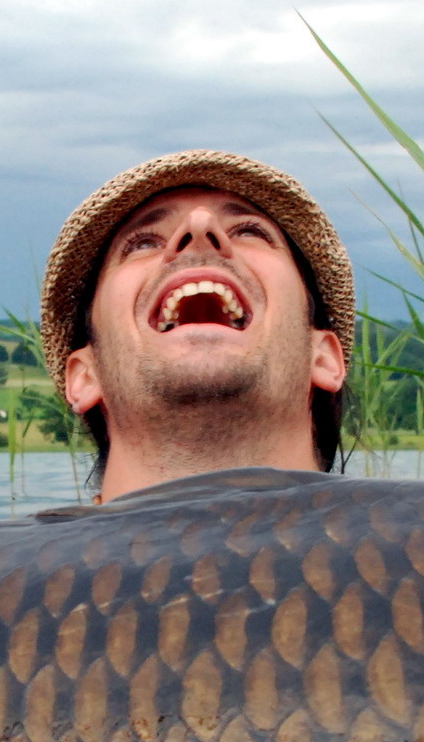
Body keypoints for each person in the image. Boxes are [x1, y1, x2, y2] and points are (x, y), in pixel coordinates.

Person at [40, 151, 356, 500]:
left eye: (249, 231)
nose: (200, 226)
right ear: (85, 376)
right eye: (143, 242)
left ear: (324, 358)